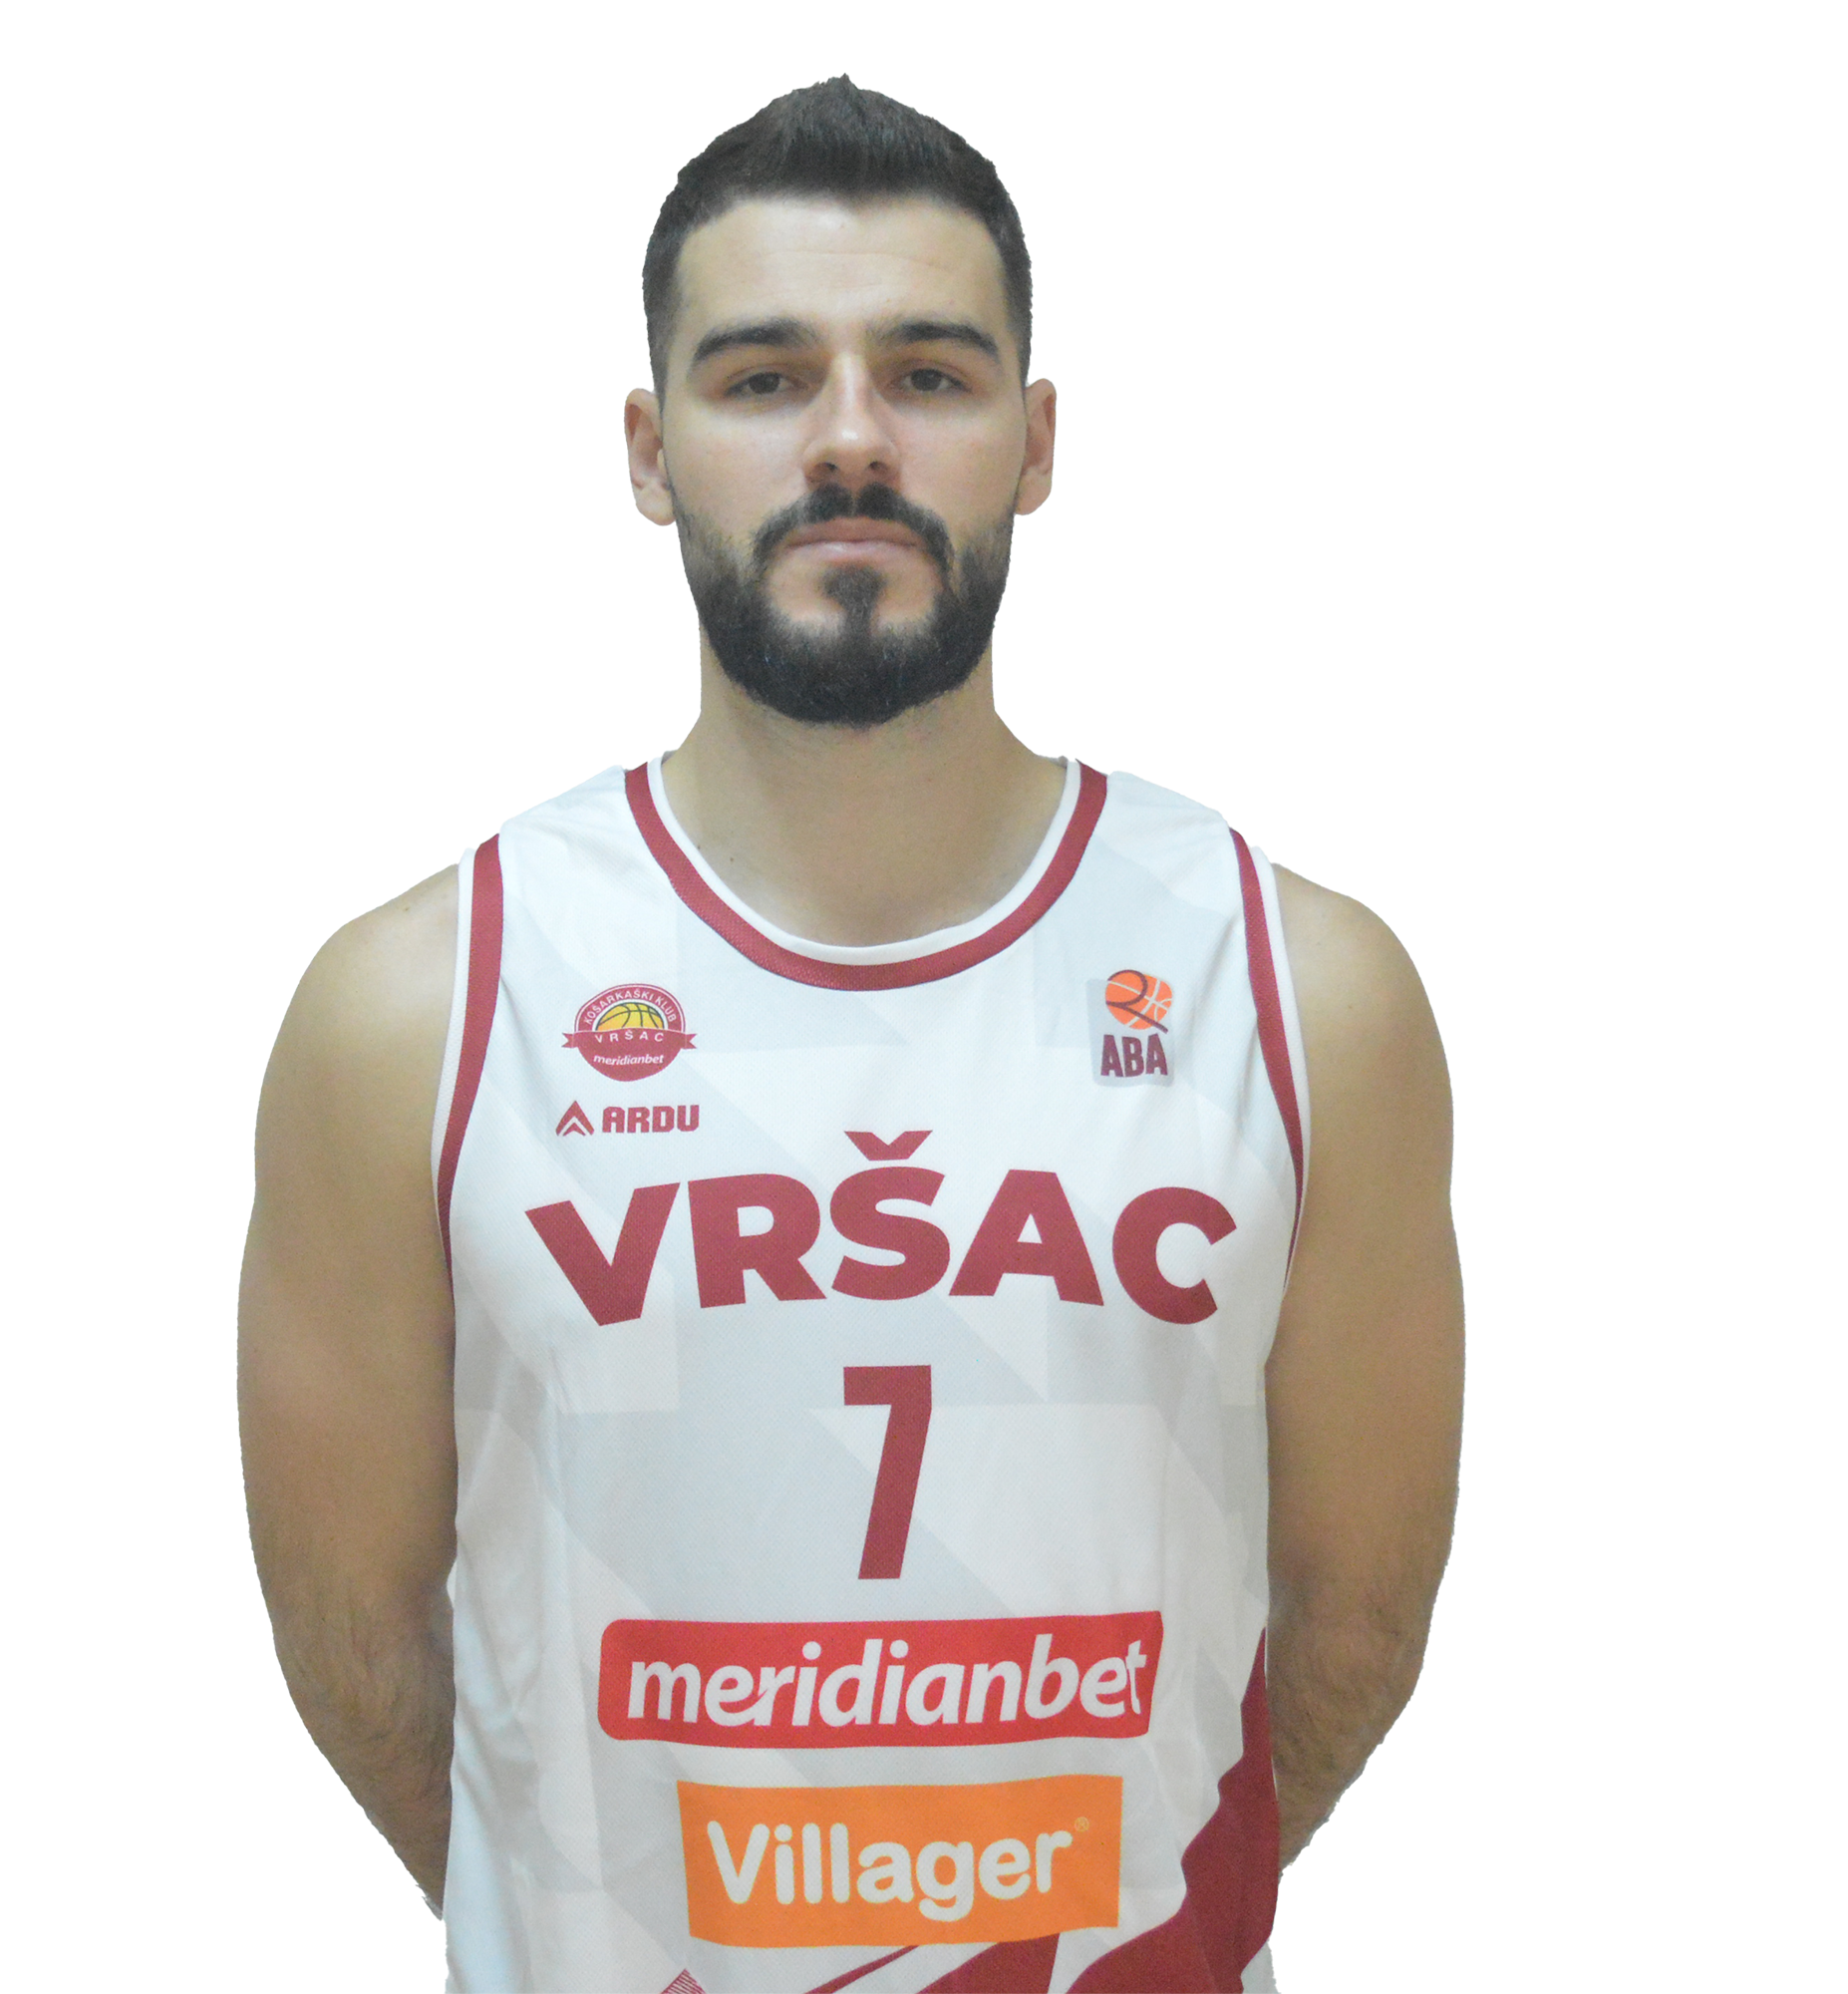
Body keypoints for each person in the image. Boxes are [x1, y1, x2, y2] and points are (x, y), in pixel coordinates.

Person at [239, 76, 1462, 1994]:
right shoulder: (417, 1009)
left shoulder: (1301, 991)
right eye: (762, 378)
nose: (850, 440)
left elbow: (1358, 1603)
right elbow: (352, 1618)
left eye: (930, 373)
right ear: (650, 448)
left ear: (1033, 442)